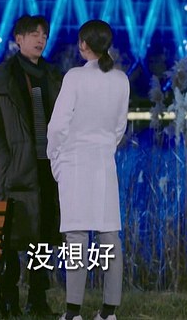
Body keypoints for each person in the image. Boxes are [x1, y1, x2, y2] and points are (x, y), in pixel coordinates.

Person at [0, 15, 63, 317]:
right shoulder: (0, 77)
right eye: (34, 34)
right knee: (10, 240)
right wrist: (7, 159)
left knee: (42, 239)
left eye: (45, 35)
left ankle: (38, 299)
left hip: (47, 169)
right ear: (19, 39)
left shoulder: (53, 76)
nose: (41, 40)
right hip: (15, 170)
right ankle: (9, 298)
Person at [47, 20, 129, 320]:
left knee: (76, 237)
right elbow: (119, 127)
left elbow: (57, 125)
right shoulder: (121, 79)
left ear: (84, 44)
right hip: (104, 162)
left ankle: (72, 312)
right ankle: (108, 312)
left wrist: (55, 157)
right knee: (110, 237)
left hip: (74, 161)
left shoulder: (75, 77)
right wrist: (105, 148)